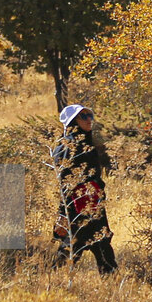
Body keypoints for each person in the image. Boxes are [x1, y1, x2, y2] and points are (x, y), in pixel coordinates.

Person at [51, 103, 118, 273]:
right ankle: (52, 285)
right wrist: (62, 212)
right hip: (77, 208)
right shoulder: (68, 147)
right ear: (73, 121)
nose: (90, 120)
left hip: (93, 205)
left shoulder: (87, 146)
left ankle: (113, 287)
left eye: (91, 116)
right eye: (84, 116)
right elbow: (66, 182)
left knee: (102, 248)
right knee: (70, 250)